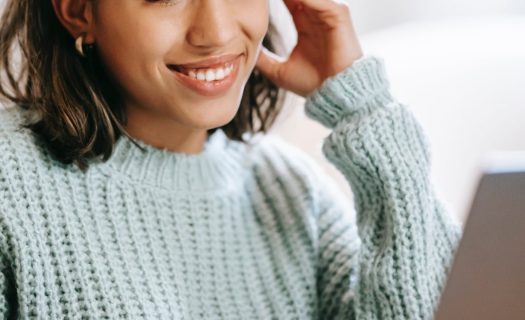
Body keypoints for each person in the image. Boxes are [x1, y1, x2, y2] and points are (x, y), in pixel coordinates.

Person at [0, 0, 462, 319]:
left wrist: (364, 108)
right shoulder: (11, 183)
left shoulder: (293, 192)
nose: (216, 32)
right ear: (79, 10)